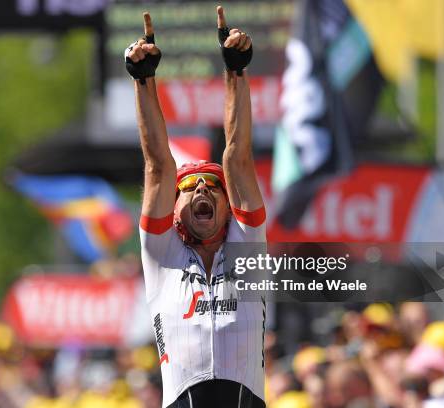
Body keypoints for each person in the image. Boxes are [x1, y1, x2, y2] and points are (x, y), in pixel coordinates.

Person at [126, 6, 267, 408]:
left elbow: (237, 156)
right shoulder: (161, 254)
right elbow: (157, 163)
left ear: (228, 205)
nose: (202, 189)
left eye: (212, 187)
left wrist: (235, 71)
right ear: (173, 211)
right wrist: (143, 80)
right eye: (189, 188)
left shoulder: (247, 246)